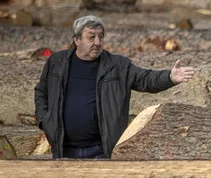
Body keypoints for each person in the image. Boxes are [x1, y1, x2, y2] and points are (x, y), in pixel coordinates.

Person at [34, 15, 197, 159]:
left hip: (101, 151)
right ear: (77, 40)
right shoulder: (56, 62)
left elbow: (145, 79)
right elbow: (41, 91)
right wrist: (44, 121)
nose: (97, 42)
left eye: (100, 37)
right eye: (91, 37)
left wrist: (170, 77)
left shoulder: (118, 65)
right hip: (63, 151)